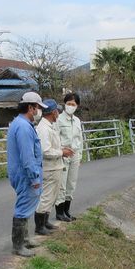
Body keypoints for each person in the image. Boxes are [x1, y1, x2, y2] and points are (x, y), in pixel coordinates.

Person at [6, 92, 47, 257]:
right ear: (31, 107)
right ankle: (18, 245)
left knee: (27, 205)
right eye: (37, 108)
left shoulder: (20, 123)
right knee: (23, 208)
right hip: (25, 175)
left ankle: (24, 239)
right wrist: (34, 177)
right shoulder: (23, 127)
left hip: (21, 173)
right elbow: (27, 156)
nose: (38, 111)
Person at [34, 99, 74, 236]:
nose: (58, 114)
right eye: (57, 111)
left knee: (51, 196)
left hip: (54, 166)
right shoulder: (44, 128)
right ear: (53, 112)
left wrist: (62, 149)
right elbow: (45, 151)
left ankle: (44, 222)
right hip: (49, 168)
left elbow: (51, 146)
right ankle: (39, 226)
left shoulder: (49, 125)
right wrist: (62, 152)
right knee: (46, 197)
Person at [55, 92, 84, 222]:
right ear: (64, 104)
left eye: (73, 104)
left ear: (77, 106)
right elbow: (55, 138)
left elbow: (80, 139)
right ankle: (59, 212)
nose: (71, 106)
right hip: (63, 154)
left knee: (71, 183)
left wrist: (80, 156)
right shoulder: (59, 119)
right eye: (69, 104)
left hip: (75, 154)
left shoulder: (77, 120)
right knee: (62, 183)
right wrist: (60, 151)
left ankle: (67, 210)